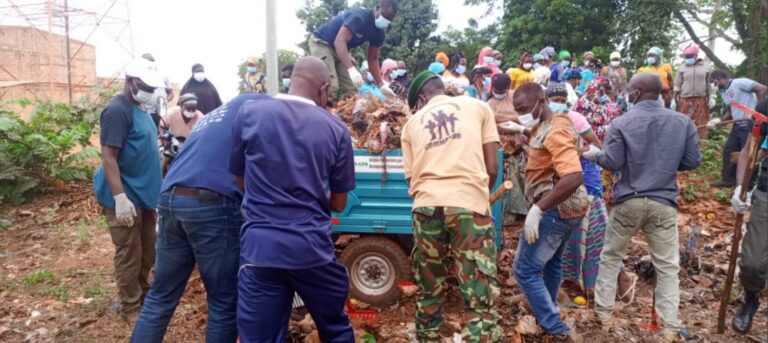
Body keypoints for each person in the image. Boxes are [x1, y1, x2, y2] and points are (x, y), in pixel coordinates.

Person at [230, 56, 355, 342]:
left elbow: (239, 180)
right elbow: (339, 203)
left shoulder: (250, 113)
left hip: (260, 250)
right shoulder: (335, 129)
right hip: (310, 250)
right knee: (335, 329)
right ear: (323, 89)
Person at [130, 93, 268, 343]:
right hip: (211, 204)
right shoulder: (261, 112)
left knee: (160, 296)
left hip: (171, 199)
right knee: (223, 302)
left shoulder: (216, 117)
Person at [584, 72, 701, 342]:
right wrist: (666, 165)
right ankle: (669, 326)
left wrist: (591, 155)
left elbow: (612, 162)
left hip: (629, 201)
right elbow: (692, 161)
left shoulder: (622, 122)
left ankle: (603, 314)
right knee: (667, 266)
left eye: (629, 90)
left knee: (611, 256)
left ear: (636, 93)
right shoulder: (683, 122)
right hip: (663, 202)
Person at [402, 70, 501, 342]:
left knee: (429, 288)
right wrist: (476, 196)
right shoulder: (479, 107)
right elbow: (492, 166)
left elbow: (412, 179)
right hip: (468, 205)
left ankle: (429, 337)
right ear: (441, 89)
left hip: (426, 207)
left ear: (421, 99)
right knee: (478, 290)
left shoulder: (411, 124)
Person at [512, 82, 588, 343]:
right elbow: (542, 135)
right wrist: (522, 128)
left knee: (524, 270)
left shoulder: (554, 132)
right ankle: (547, 308)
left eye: (523, 109)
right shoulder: (558, 121)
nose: (521, 113)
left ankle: (555, 326)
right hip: (571, 209)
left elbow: (574, 176)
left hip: (553, 211)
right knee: (552, 262)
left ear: (541, 101)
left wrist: (538, 208)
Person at [92, 58, 164, 322]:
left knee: (148, 249)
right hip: (124, 194)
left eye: (150, 86)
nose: (148, 90)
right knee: (129, 251)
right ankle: (130, 305)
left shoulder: (141, 107)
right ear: (130, 81)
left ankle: (144, 295)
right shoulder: (116, 110)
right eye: (144, 85)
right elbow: (109, 157)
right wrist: (120, 198)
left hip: (145, 194)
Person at [308, 0, 399, 101]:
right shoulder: (359, 17)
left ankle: (341, 114)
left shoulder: (379, 33)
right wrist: (351, 70)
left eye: (388, 20)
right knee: (331, 86)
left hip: (341, 49)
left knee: (352, 89)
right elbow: (339, 41)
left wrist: (381, 85)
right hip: (322, 43)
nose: (385, 21)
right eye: (384, 16)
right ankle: (322, 113)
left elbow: (372, 59)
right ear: (377, 8)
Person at [730, 98, 768, 334]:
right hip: (766, 192)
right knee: (753, 263)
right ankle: (751, 297)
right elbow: (751, 150)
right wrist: (740, 188)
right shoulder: (766, 106)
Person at [709, 70, 768, 187]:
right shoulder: (724, 93)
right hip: (737, 126)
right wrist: (719, 120)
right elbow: (731, 112)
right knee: (729, 151)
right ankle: (728, 180)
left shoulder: (740, 83)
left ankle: (747, 185)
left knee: (749, 154)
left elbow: (762, 89)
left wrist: (757, 112)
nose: (713, 85)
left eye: (713, 82)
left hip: (750, 125)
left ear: (719, 78)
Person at [488, 74, 527, 224]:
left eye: (502, 89)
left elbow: (521, 117)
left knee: (520, 180)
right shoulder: (489, 103)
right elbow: (491, 121)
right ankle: (506, 215)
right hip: (501, 150)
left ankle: (520, 212)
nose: (499, 92)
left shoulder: (514, 96)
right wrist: (512, 119)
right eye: (497, 89)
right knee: (503, 183)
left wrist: (500, 118)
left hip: (517, 146)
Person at [674, 44, 714, 140]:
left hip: (701, 99)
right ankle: (682, 143)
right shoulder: (682, 67)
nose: (687, 59)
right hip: (684, 99)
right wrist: (673, 99)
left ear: (696, 56)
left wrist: (712, 96)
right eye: (686, 57)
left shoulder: (706, 67)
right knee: (683, 122)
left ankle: (702, 145)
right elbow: (677, 84)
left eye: (689, 57)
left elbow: (710, 84)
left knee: (701, 123)